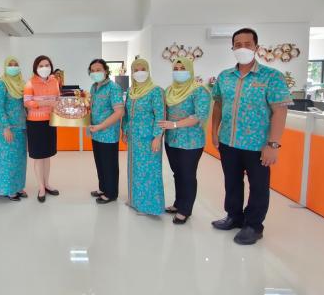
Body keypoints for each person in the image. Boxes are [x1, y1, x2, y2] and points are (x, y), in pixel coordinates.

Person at [211, 28, 292, 245]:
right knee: (232, 182)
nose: (243, 48)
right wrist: (214, 131)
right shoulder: (224, 77)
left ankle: (253, 225)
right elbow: (218, 104)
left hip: (257, 145)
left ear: (256, 47)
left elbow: (280, 111)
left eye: (247, 44)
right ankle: (234, 216)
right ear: (232, 48)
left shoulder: (271, 77)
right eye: (238, 44)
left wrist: (273, 145)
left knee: (258, 186)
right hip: (228, 142)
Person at [158, 57, 211, 224]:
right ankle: (178, 204)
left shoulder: (199, 90)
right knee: (177, 173)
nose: (179, 72)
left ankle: (185, 210)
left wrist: (174, 124)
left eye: (183, 68)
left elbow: (199, 115)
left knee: (187, 174)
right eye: (176, 68)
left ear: (190, 70)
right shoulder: (169, 90)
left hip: (191, 141)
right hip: (172, 140)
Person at [122, 58, 165, 216]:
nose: (139, 73)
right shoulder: (131, 91)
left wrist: (157, 137)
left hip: (149, 138)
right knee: (134, 169)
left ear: (148, 70)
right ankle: (134, 201)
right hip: (134, 138)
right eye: (136, 70)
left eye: (143, 69)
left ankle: (149, 206)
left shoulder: (156, 91)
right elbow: (127, 114)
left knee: (149, 171)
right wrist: (125, 131)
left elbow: (160, 116)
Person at [24, 55, 61, 203]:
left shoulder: (54, 81)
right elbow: (27, 102)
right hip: (35, 123)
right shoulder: (30, 83)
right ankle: (41, 187)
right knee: (39, 156)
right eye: (41, 66)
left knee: (47, 155)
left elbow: (57, 99)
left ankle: (47, 183)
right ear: (35, 68)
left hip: (50, 121)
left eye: (47, 65)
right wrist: (45, 103)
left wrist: (55, 104)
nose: (44, 68)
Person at [88, 58, 124, 204]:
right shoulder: (93, 87)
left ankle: (111, 193)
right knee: (100, 162)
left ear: (106, 71)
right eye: (92, 70)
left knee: (109, 164)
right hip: (95, 132)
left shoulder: (113, 88)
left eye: (98, 70)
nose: (95, 72)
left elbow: (119, 112)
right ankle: (103, 188)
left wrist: (101, 126)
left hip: (108, 133)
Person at [0, 56, 28, 201]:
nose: (13, 67)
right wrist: (6, 127)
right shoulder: (0, 84)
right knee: (7, 160)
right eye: (10, 64)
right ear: (5, 67)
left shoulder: (22, 84)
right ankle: (8, 189)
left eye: (16, 64)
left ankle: (18, 187)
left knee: (20, 159)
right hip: (6, 128)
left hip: (21, 126)